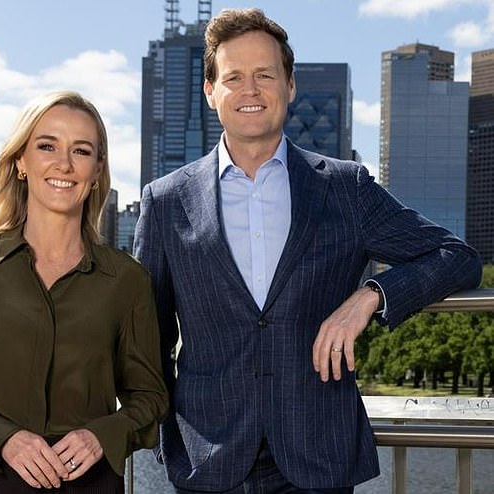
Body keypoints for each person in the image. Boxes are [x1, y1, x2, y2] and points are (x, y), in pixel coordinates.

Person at [133, 8, 482, 494]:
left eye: (265, 75)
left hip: (318, 457)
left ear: (289, 86)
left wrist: (370, 296)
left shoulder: (345, 187)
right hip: (207, 459)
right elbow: (147, 339)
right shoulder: (166, 200)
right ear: (211, 91)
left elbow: (457, 256)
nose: (250, 89)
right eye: (234, 76)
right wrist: (166, 431)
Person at [0, 90, 168, 494]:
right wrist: (0, 437)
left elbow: (149, 397)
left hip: (91, 485)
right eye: (47, 146)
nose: (64, 163)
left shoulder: (127, 280)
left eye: (81, 151)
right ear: (21, 161)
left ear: (97, 170)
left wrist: (104, 434)